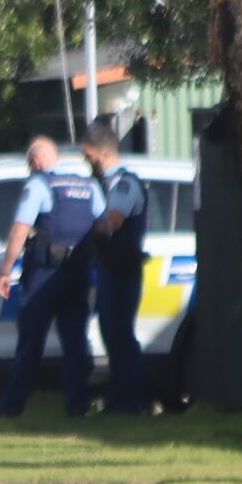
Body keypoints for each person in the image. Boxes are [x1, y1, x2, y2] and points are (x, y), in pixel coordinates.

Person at [0, 137, 103, 417]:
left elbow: (20, 231)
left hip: (44, 273)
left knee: (31, 341)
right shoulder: (88, 185)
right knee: (75, 341)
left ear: (36, 162)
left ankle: (11, 407)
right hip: (78, 272)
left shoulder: (39, 184)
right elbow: (104, 228)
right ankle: (78, 406)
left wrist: (5, 271)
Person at [82, 122, 150, 413]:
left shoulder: (123, 184)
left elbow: (111, 223)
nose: (87, 161)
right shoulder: (104, 183)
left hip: (123, 270)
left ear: (103, 152)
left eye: (89, 155)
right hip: (111, 268)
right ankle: (119, 400)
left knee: (120, 334)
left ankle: (131, 403)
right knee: (111, 332)